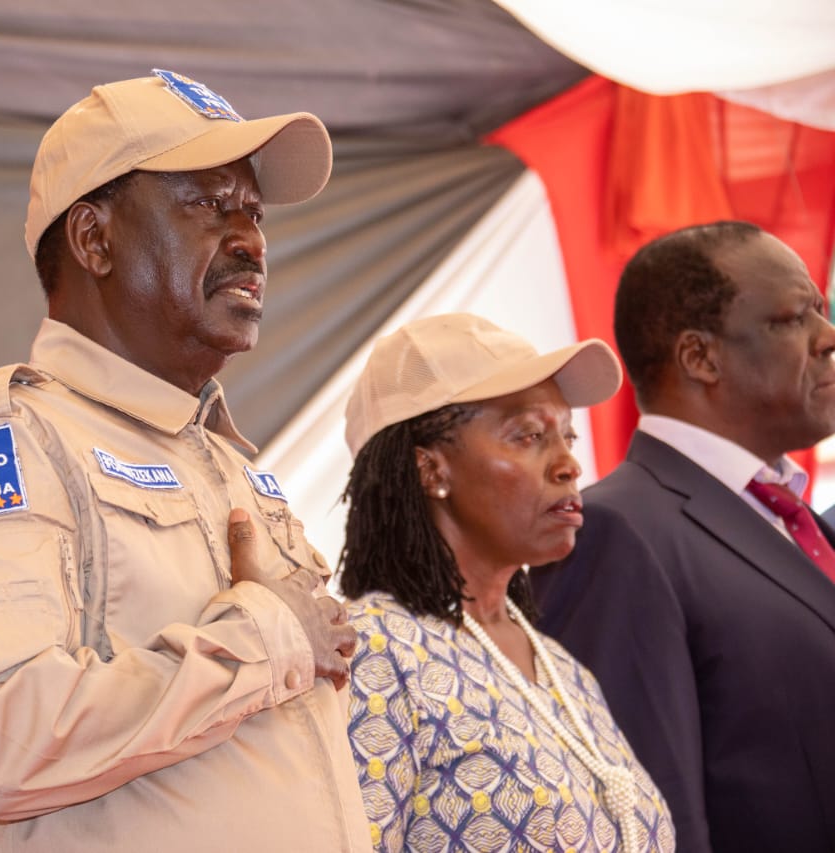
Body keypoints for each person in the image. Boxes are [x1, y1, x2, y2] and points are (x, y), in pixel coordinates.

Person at [0, 69, 372, 851]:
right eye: (208, 204)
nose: (250, 239)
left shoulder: (229, 463)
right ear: (93, 238)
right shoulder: (11, 439)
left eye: (252, 210)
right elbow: (1, 742)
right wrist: (266, 636)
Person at [531, 220, 835, 852]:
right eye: (793, 318)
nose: (827, 338)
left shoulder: (793, 518)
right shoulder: (617, 533)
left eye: (823, 312)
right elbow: (649, 813)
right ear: (700, 357)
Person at [339, 313, 675, 852]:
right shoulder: (373, 653)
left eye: (567, 435)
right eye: (529, 436)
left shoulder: (564, 670)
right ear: (431, 470)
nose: (568, 463)